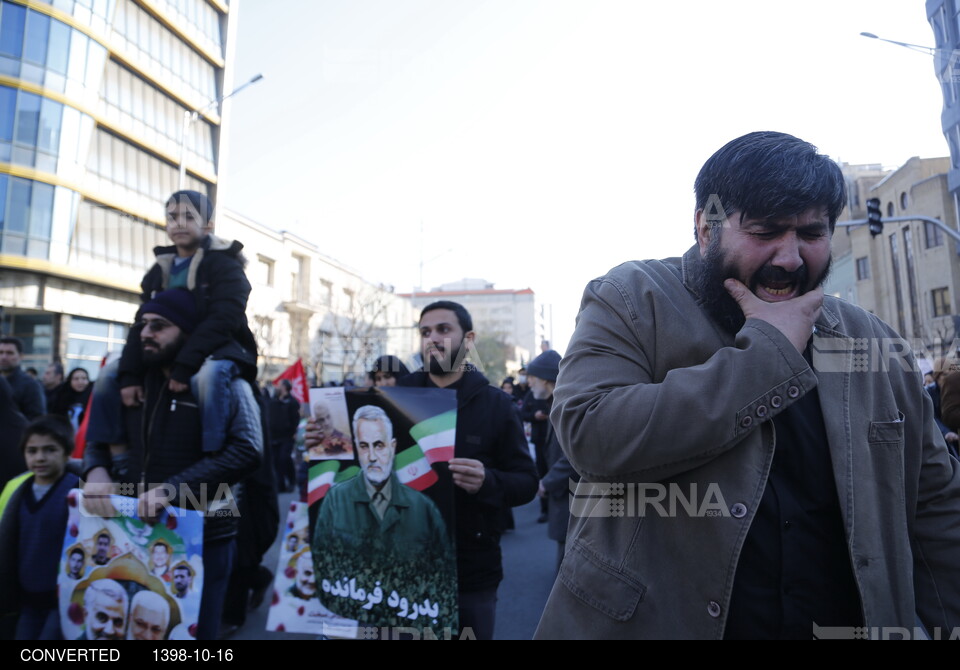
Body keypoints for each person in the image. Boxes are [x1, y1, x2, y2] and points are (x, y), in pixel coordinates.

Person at [535, 131, 960, 640]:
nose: (790, 257)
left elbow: (934, 505)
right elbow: (592, 435)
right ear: (705, 228)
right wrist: (767, 354)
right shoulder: (632, 299)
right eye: (765, 231)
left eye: (811, 233)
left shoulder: (869, 339)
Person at [82, 288, 263, 640]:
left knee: (190, 635)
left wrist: (171, 490)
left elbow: (247, 450)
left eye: (159, 326)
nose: (145, 333)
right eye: (143, 324)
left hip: (207, 535)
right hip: (133, 532)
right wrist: (95, 470)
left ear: (189, 331)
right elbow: (98, 442)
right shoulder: (128, 384)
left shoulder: (225, 383)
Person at [86, 190, 258, 477]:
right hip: (169, 354)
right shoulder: (158, 270)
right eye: (172, 216)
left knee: (209, 376)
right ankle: (114, 454)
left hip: (218, 349)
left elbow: (225, 317)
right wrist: (129, 375)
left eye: (189, 216)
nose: (179, 223)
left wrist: (184, 365)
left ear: (208, 225)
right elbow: (142, 322)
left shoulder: (225, 265)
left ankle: (212, 452)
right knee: (108, 374)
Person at [397, 301, 539, 640]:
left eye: (443, 330)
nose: (432, 338)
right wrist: (326, 439)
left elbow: (526, 482)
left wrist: (487, 481)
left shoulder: (496, 404)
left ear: (469, 338)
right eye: (425, 332)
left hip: (471, 567)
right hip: (403, 565)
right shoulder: (394, 399)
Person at [311, 405, 454, 627]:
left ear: (392, 446)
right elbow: (320, 561)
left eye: (379, 445)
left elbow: (441, 574)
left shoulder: (423, 507)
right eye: (364, 446)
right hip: (353, 616)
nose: (372, 457)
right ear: (356, 449)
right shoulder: (335, 500)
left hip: (407, 619)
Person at [0, 415, 80, 640]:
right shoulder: (18, 492)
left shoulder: (77, 490)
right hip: (28, 600)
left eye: (50, 450)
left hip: (63, 600)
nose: (40, 457)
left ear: (66, 453)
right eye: (32, 451)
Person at [521, 350, 561, 523]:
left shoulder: (563, 406)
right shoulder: (555, 403)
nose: (528, 383)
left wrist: (548, 482)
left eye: (531, 378)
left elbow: (571, 457)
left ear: (545, 380)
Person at [0, 338, 46, 419]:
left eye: (10, 353)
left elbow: (37, 419)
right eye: (1, 352)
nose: (4, 357)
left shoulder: (30, 385)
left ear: (21, 356)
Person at [269, 379, 300, 492]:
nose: (277, 387)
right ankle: (280, 485)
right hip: (274, 437)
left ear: (285, 388)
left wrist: (294, 432)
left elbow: (295, 420)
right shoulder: (273, 401)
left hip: (287, 437)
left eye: (280, 385)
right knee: (276, 461)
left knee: (284, 459)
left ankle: (292, 481)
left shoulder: (292, 403)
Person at [50, 368, 93, 433]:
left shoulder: (93, 398)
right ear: (70, 381)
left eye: (84, 378)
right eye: (76, 379)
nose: (80, 382)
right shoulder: (61, 398)